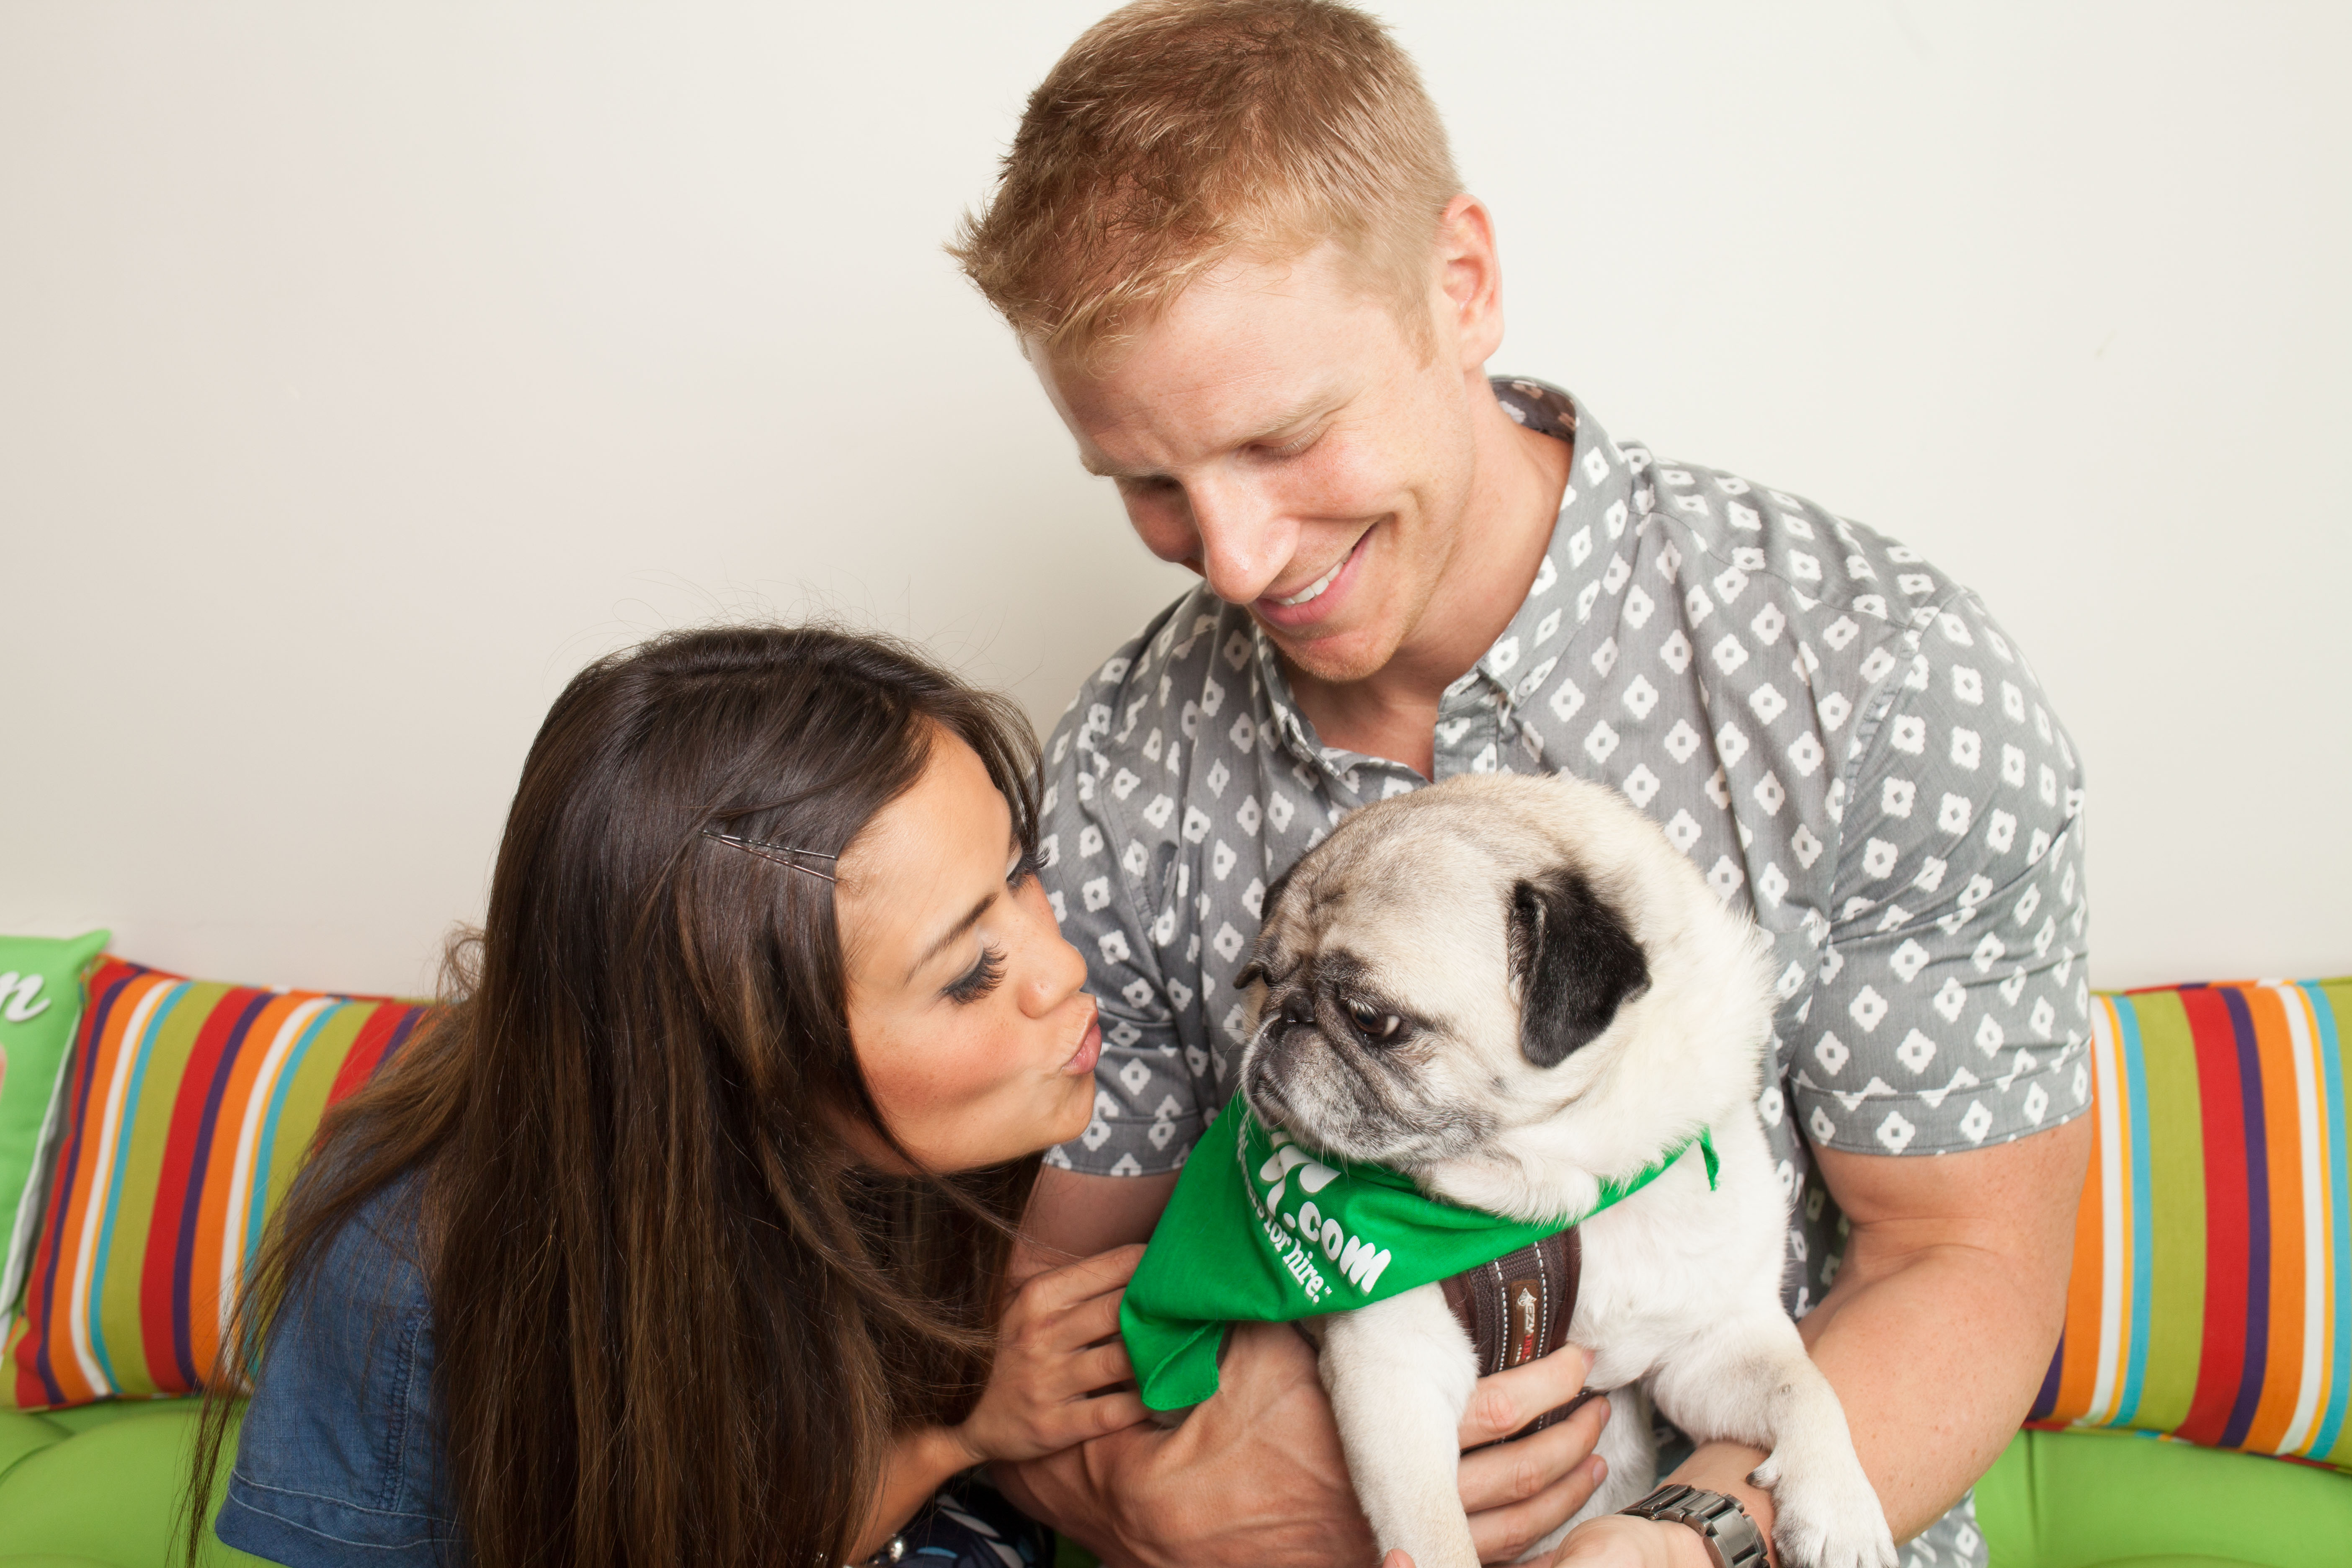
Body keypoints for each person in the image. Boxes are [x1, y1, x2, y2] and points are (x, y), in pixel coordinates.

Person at [949, 4, 2095, 1566]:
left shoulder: (1869, 682)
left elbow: (1966, 1262)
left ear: (1461, 283)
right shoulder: (1128, 762)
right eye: (1148, 483)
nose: (1233, 556)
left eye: (1285, 437)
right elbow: (1059, 1316)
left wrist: (1697, 1536)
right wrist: (1137, 1501)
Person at [186, 625, 1148, 1568]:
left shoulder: (919, 1146)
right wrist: (954, 1440)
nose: (1063, 966)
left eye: (1020, 871)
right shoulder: (399, 1280)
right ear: (749, 1063)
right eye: (972, 971)